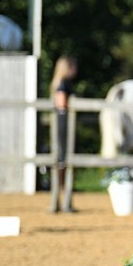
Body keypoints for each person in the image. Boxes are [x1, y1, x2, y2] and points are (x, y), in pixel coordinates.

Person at [48, 55, 78, 213]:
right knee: (63, 157)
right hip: (63, 122)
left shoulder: (60, 83)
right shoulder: (63, 83)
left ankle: (62, 191)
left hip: (61, 122)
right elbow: (61, 103)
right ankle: (62, 189)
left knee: (62, 157)